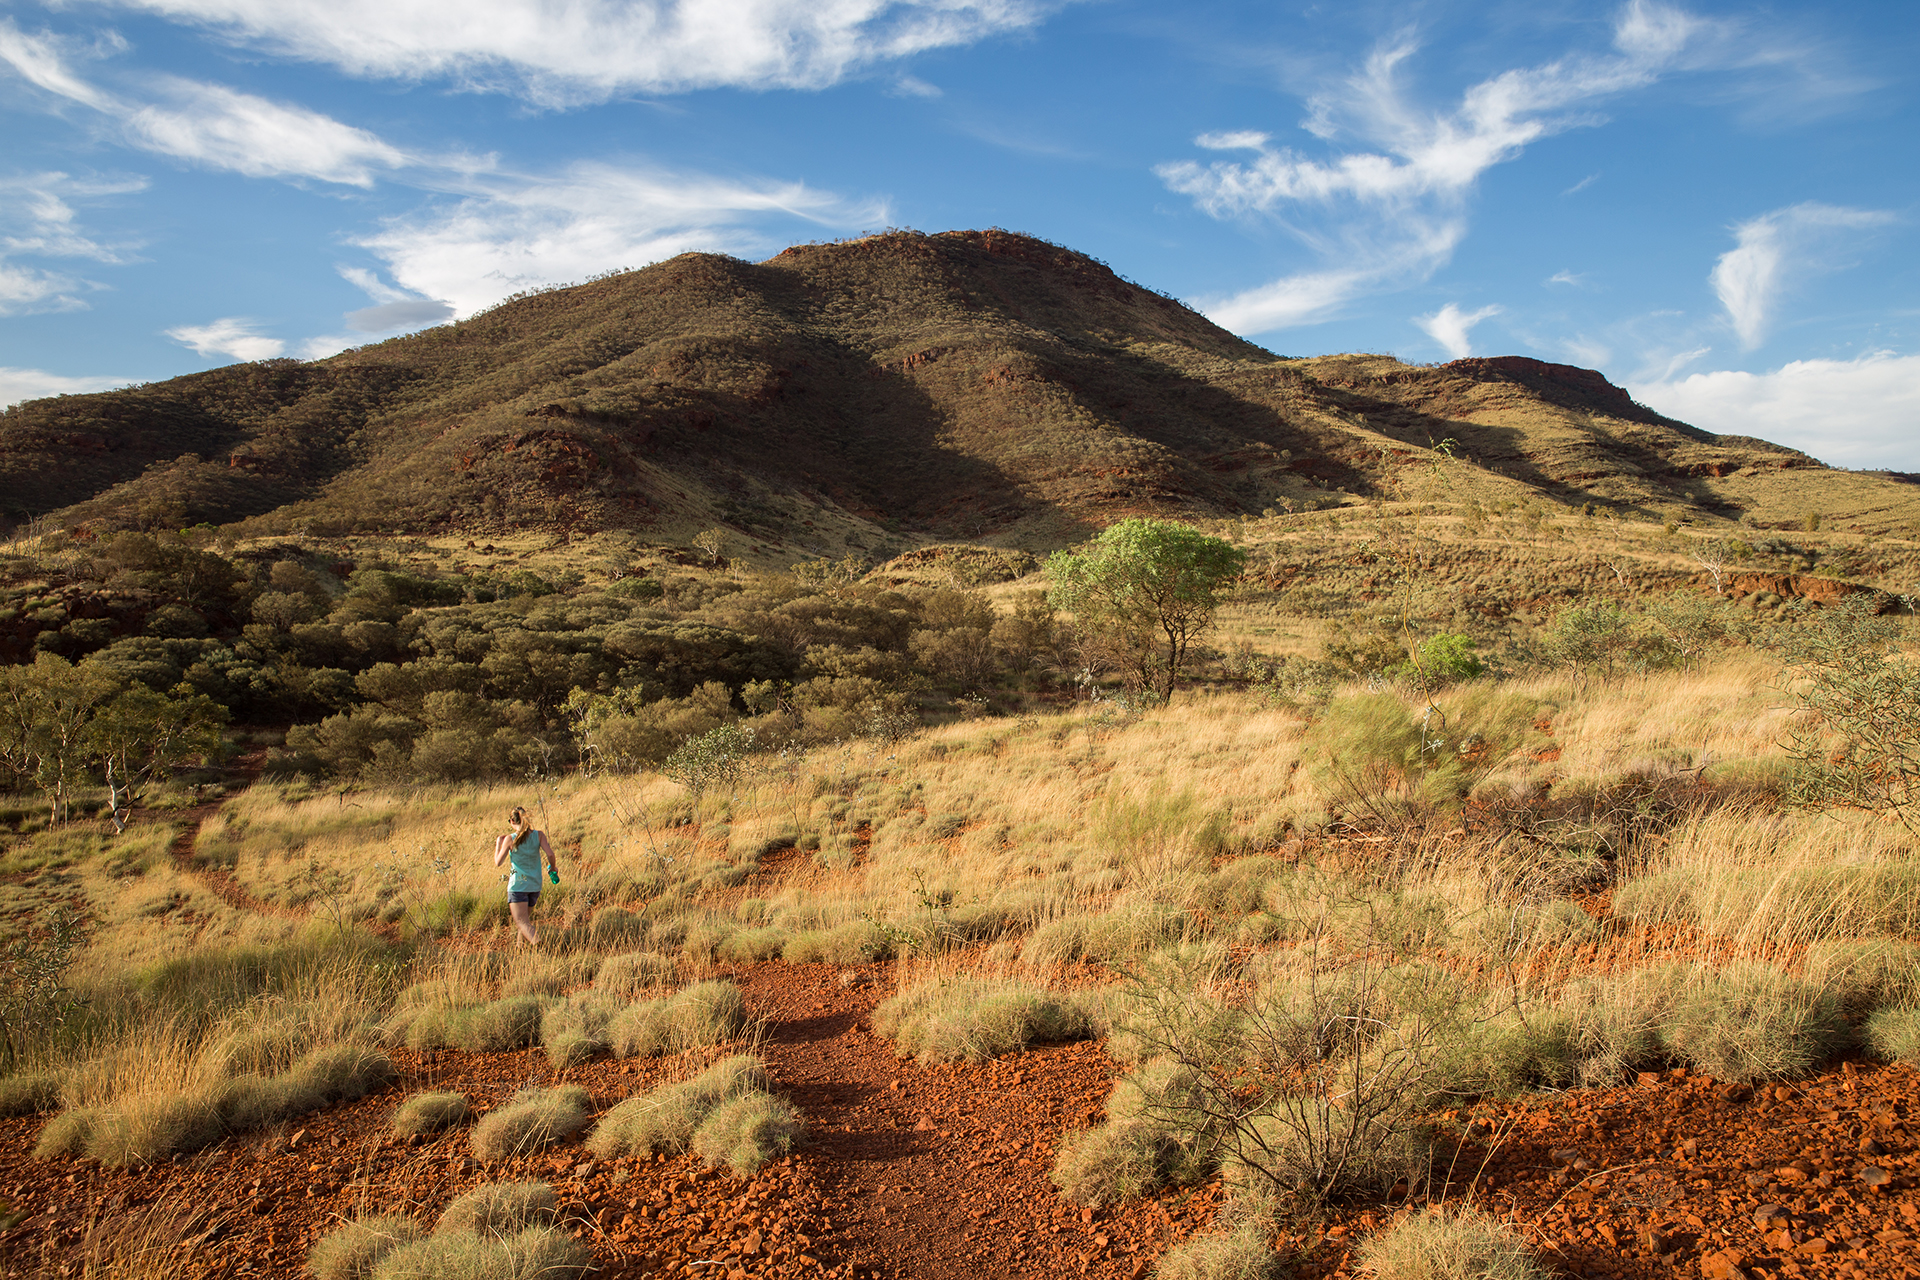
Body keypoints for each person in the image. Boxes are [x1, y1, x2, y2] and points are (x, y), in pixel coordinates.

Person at [492, 806, 559, 945]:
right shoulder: (539, 835)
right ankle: (520, 948)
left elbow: (498, 862)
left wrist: (499, 843)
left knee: (522, 922)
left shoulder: (510, 839)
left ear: (511, 821)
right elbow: (550, 854)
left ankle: (539, 944)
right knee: (524, 922)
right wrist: (553, 868)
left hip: (518, 885)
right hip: (534, 885)